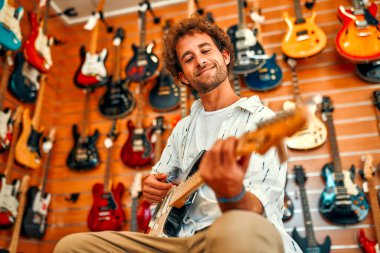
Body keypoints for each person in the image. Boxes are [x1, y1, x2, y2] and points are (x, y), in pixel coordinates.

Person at [54, 16, 301, 253]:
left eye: (206, 51)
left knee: (239, 229)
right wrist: (150, 188)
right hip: (180, 240)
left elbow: (256, 210)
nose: (200, 61)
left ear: (225, 56)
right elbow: (160, 185)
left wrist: (231, 192)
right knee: (71, 246)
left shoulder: (261, 121)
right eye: (189, 58)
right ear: (183, 76)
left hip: (237, 234)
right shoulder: (183, 128)